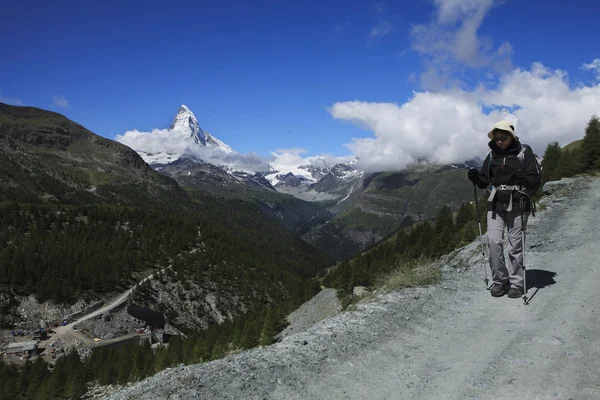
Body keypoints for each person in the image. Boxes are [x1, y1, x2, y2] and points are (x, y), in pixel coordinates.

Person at [467, 120, 541, 298]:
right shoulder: (492, 156)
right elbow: (486, 180)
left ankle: (516, 283)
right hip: (495, 203)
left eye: (503, 138)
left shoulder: (525, 154)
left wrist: (524, 179)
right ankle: (500, 280)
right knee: (493, 241)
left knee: (515, 245)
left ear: (511, 137)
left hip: (518, 203)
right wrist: (476, 178)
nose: (499, 141)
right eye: (497, 138)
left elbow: (535, 181)